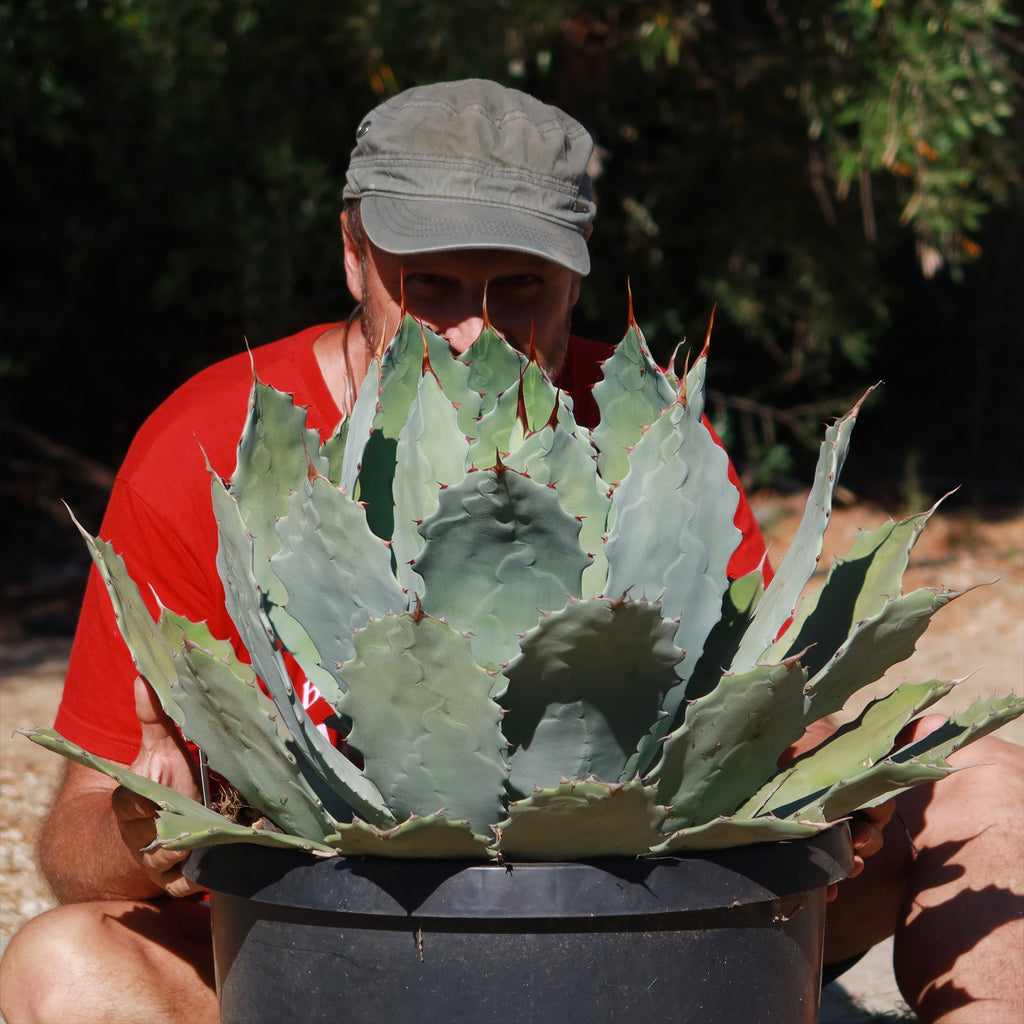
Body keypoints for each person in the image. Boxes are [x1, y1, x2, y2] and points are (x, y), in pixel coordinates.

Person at [1, 80, 1020, 1024]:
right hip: (338, 954)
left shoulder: (641, 439)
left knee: (981, 778)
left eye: (518, 287)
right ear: (353, 251)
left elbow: (758, 704)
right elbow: (73, 846)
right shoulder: (222, 452)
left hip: (642, 930)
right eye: (431, 284)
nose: (470, 332)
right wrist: (153, 815)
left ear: (577, 272)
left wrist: (814, 774)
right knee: (63, 960)